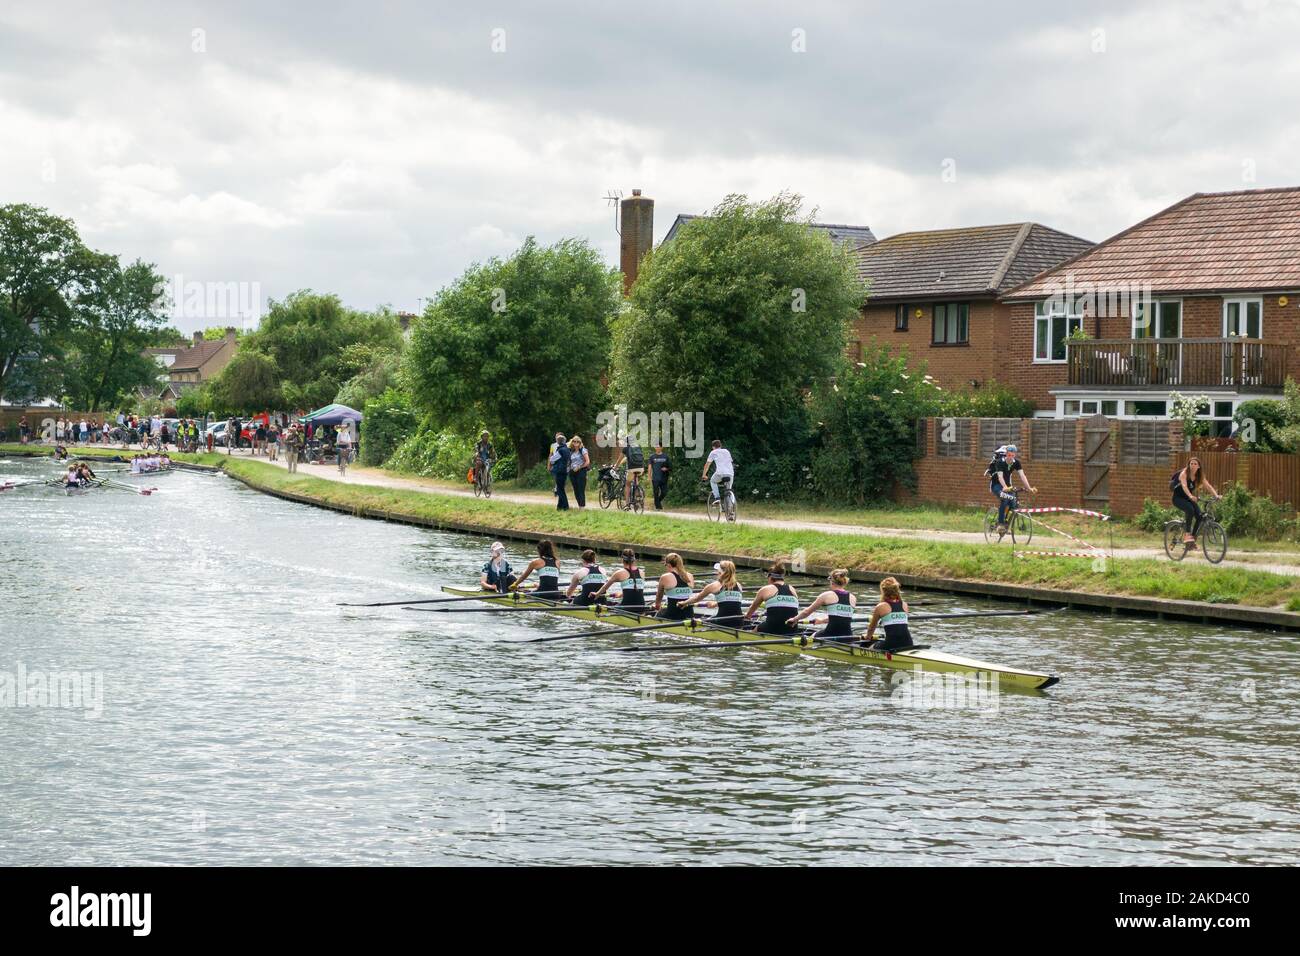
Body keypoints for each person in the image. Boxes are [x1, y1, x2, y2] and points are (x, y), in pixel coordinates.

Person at [792, 569, 858, 641]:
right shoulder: (853, 598)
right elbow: (840, 618)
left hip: (829, 634)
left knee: (810, 637)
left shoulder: (826, 595)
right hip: (848, 636)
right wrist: (822, 621)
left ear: (831, 581)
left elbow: (806, 612)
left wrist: (795, 619)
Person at [986, 444, 1036, 534]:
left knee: (1013, 504)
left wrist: (1029, 488)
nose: (1010, 457)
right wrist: (1004, 487)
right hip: (996, 485)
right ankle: (1000, 524)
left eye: (1012, 455)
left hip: (1008, 486)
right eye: (1009, 455)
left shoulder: (1016, 463)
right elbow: (1000, 477)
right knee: (1005, 499)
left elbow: (1022, 475)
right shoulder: (1000, 462)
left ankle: (1006, 524)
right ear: (1006, 454)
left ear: (1014, 455)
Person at [1170, 457, 1221, 545]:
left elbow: (1208, 486)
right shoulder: (1184, 473)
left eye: (1195, 464)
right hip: (1178, 498)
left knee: (1200, 516)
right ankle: (1187, 535)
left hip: (1188, 498)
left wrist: (1216, 495)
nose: (1193, 465)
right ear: (1189, 465)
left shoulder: (1199, 476)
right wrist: (1190, 495)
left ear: (1199, 466)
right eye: (1191, 464)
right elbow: (1184, 486)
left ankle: (1192, 541)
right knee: (1190, 510)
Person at [681, 560, 745, 626]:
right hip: (739, 621)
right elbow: (731, 602)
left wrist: (684, 603)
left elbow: (696, 599)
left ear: (720, 572)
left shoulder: (714, 585)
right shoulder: (739, 586)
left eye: (717, 571)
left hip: (721, 622)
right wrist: (715, 604)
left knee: (701, 620)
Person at [744, 562, 800, 633]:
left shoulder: (765, 589)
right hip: (792, 629)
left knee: (752, 632)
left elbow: (751, 611)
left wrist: (746, 618)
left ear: (770, 577)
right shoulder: (792, 589)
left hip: (772, 628)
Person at [865, 577, 914, 651]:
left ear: (883, 591)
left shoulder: (880, 606)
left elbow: (871, 628)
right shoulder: (904, 605)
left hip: (891, 644)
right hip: (908, 643)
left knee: (868, 647)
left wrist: (867, 638)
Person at [653, 553, 695, 620]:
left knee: (652, 615)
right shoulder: (690, 576)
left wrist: (657, 607)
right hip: (689, 615)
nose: (666, 568)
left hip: (672, 615)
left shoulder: (665, 577)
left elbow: (659, 598)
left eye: (665, 565)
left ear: (669, 565)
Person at [701, 439, 735, 505]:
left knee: (712, 481)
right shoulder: (726, 451)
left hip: (720, 473)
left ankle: (717, 498)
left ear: (713, 447)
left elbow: (707, 465)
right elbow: (730, 461)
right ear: (720, 445)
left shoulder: (713, 452)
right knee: (728, 490)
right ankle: (730, 510)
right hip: (730, 473)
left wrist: (704, 475)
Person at [615, 434, 645, 507]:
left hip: (632, 468)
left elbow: (619, 459)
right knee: (636, 477)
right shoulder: (638, 447)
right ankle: (638, 494)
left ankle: (627, 503)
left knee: (628, 484)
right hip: (641, 468)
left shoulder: (626, 448)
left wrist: (615, 467)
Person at [567, 435, 590, 509]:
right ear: (572, 442)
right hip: (572, 472)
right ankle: (579, 505)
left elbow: (587, 462)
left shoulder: (583, 450)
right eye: (574, 441)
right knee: (576, 489)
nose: (576, 443)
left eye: (578, 441)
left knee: (581, 489)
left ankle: (582, 507)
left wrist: (579, 467)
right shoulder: (571, 451)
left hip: (581, 471)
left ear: (580, 443)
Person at [550, 432, 571, 510]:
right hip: (565, 471)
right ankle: (559, 506)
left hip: (559, 471)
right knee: (561, 488)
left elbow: (552, 459)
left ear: (558, 441)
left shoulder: (560, 450)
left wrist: (553, 462)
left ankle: (566, 506)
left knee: (559, 489)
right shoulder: (567, 449)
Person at [648, 444, 671, 510]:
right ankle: (658, 507)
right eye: (656, 446)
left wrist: (666, 469)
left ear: (662, 447)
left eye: (658, 446)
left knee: (664, 492)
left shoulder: (666, 456)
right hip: (655, 478)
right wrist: (649, 477)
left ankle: (657, 502)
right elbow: (649, 467)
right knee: (656, 492)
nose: (657, 447)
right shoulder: (652, 456)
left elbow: (670, 466)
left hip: (664, 477)